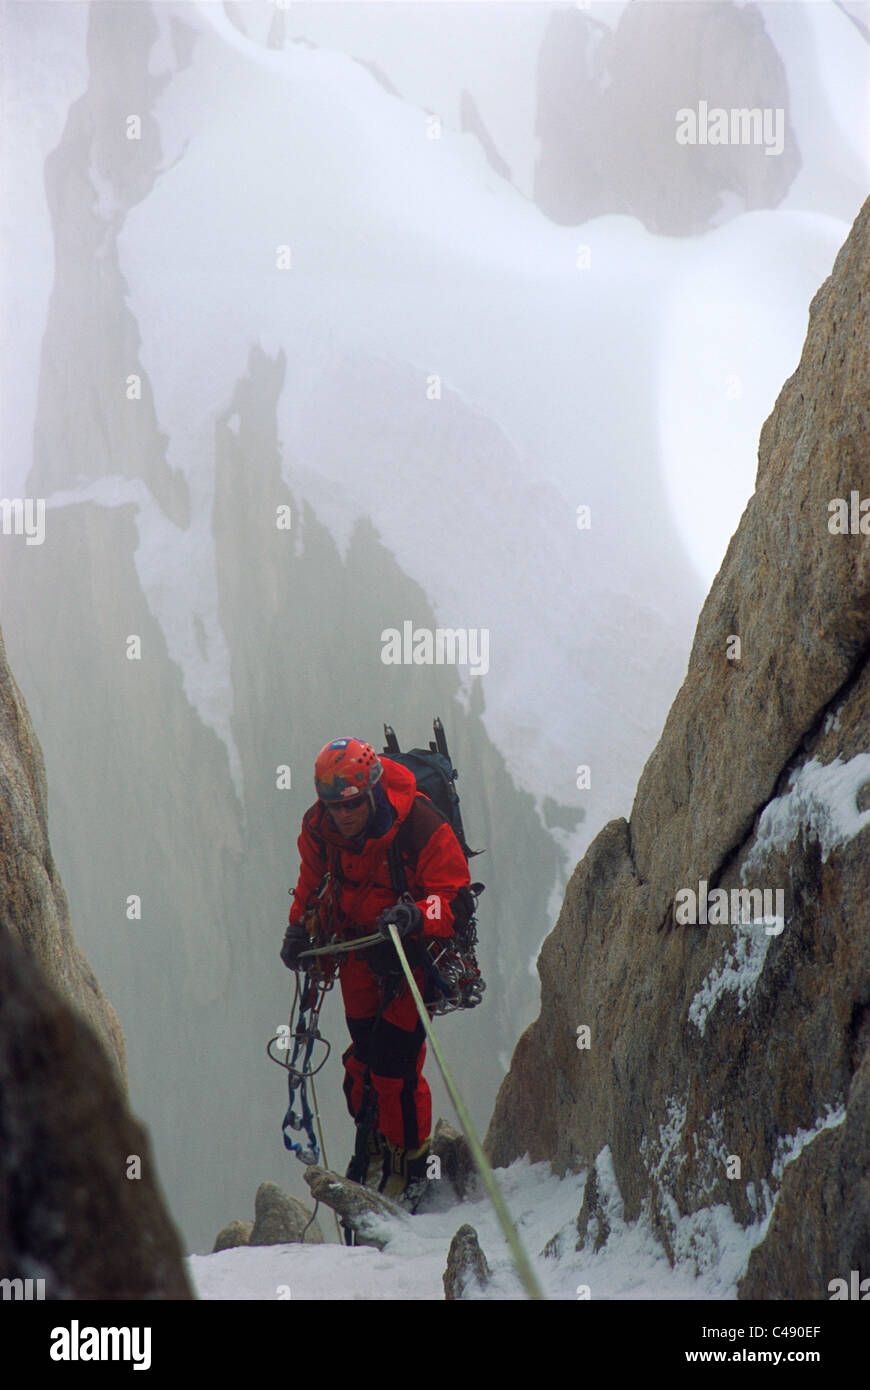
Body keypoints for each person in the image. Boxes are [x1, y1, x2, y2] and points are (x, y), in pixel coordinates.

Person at [281, 736, 471, 1205]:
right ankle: (379, 1147)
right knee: (364, 1056)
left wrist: (413, 916)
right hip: (358, 949)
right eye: (334, 807)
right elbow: (311, 882)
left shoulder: (420, 824)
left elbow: (453, 899)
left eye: (352, 805)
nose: (343, 816)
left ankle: (411, 1166)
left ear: (371, 792)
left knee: (395, 1064)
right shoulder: (319, 827)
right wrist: (297, 932)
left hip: (410, 954)